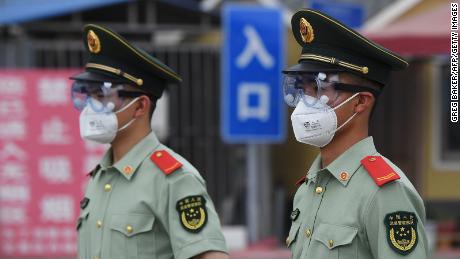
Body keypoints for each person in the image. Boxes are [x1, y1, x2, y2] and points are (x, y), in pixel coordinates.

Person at [71, 24, 228, 259]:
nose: (91, 108)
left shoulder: (173, 179)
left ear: (140, 106)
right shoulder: (100, 177)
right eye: (89, 95)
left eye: (101, 96)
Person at [283, 9, 428, 259]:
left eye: (318, 88)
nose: (305, 102)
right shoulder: (309, 187)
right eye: (302, 88)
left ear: (360, 101)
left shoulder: (384, 192)